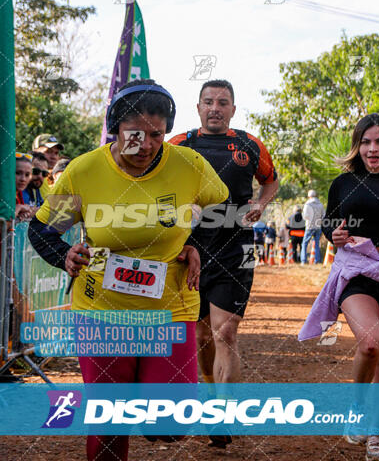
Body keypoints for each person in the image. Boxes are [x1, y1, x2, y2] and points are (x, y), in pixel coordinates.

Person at [28, 79, 229, 461]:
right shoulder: (85, 171)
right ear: (115, 129)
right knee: (108, 426)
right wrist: (64, 255)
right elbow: (42, 228)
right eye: (135, 134)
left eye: (157, 135)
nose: (146, 145)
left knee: (170, 424)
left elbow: (221, 210)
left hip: (169, 309)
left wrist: (195, 244)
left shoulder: (188, 165)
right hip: (101, 311)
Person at [169, 79, 278, 448]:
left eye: (223, 102)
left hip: (237, 249)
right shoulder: (179, 145)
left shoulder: (249, 143)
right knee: (201, 336)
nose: (215, 107)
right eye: (208, 102)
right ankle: (213, 394)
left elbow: (271, 181)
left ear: (233, 108)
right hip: (188, 251)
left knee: (225, 333)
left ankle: (220, 415)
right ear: (198, 107)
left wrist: (261, 204)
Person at [299, 113, 379, 461]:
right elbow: (331, 223)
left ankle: (377, 434)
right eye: (366, 142)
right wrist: (334, 235)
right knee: (372, 344)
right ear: (358, 146)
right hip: (356, 270)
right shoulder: (344, 183)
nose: (373, 149)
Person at [32, 133, 64, 198]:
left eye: (56, 153)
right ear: (35, 151)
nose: (54, 157)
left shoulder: (46, 178)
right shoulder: (29, 177)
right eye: (48, 151)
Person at [300, 190, 325, 264]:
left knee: (304, 243)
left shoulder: (307, 204)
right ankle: (317, 260)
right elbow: (323, 215)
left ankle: (303, 260)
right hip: (318, 226)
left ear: (309, 196)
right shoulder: (320, 204)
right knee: (317, 243)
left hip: (309, 226)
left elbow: (305, 216)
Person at [15, 152, 33, 221]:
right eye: (18, 173)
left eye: (27, 175)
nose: (23, 179)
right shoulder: (4, 193)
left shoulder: (18, 194)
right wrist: (19, 208)